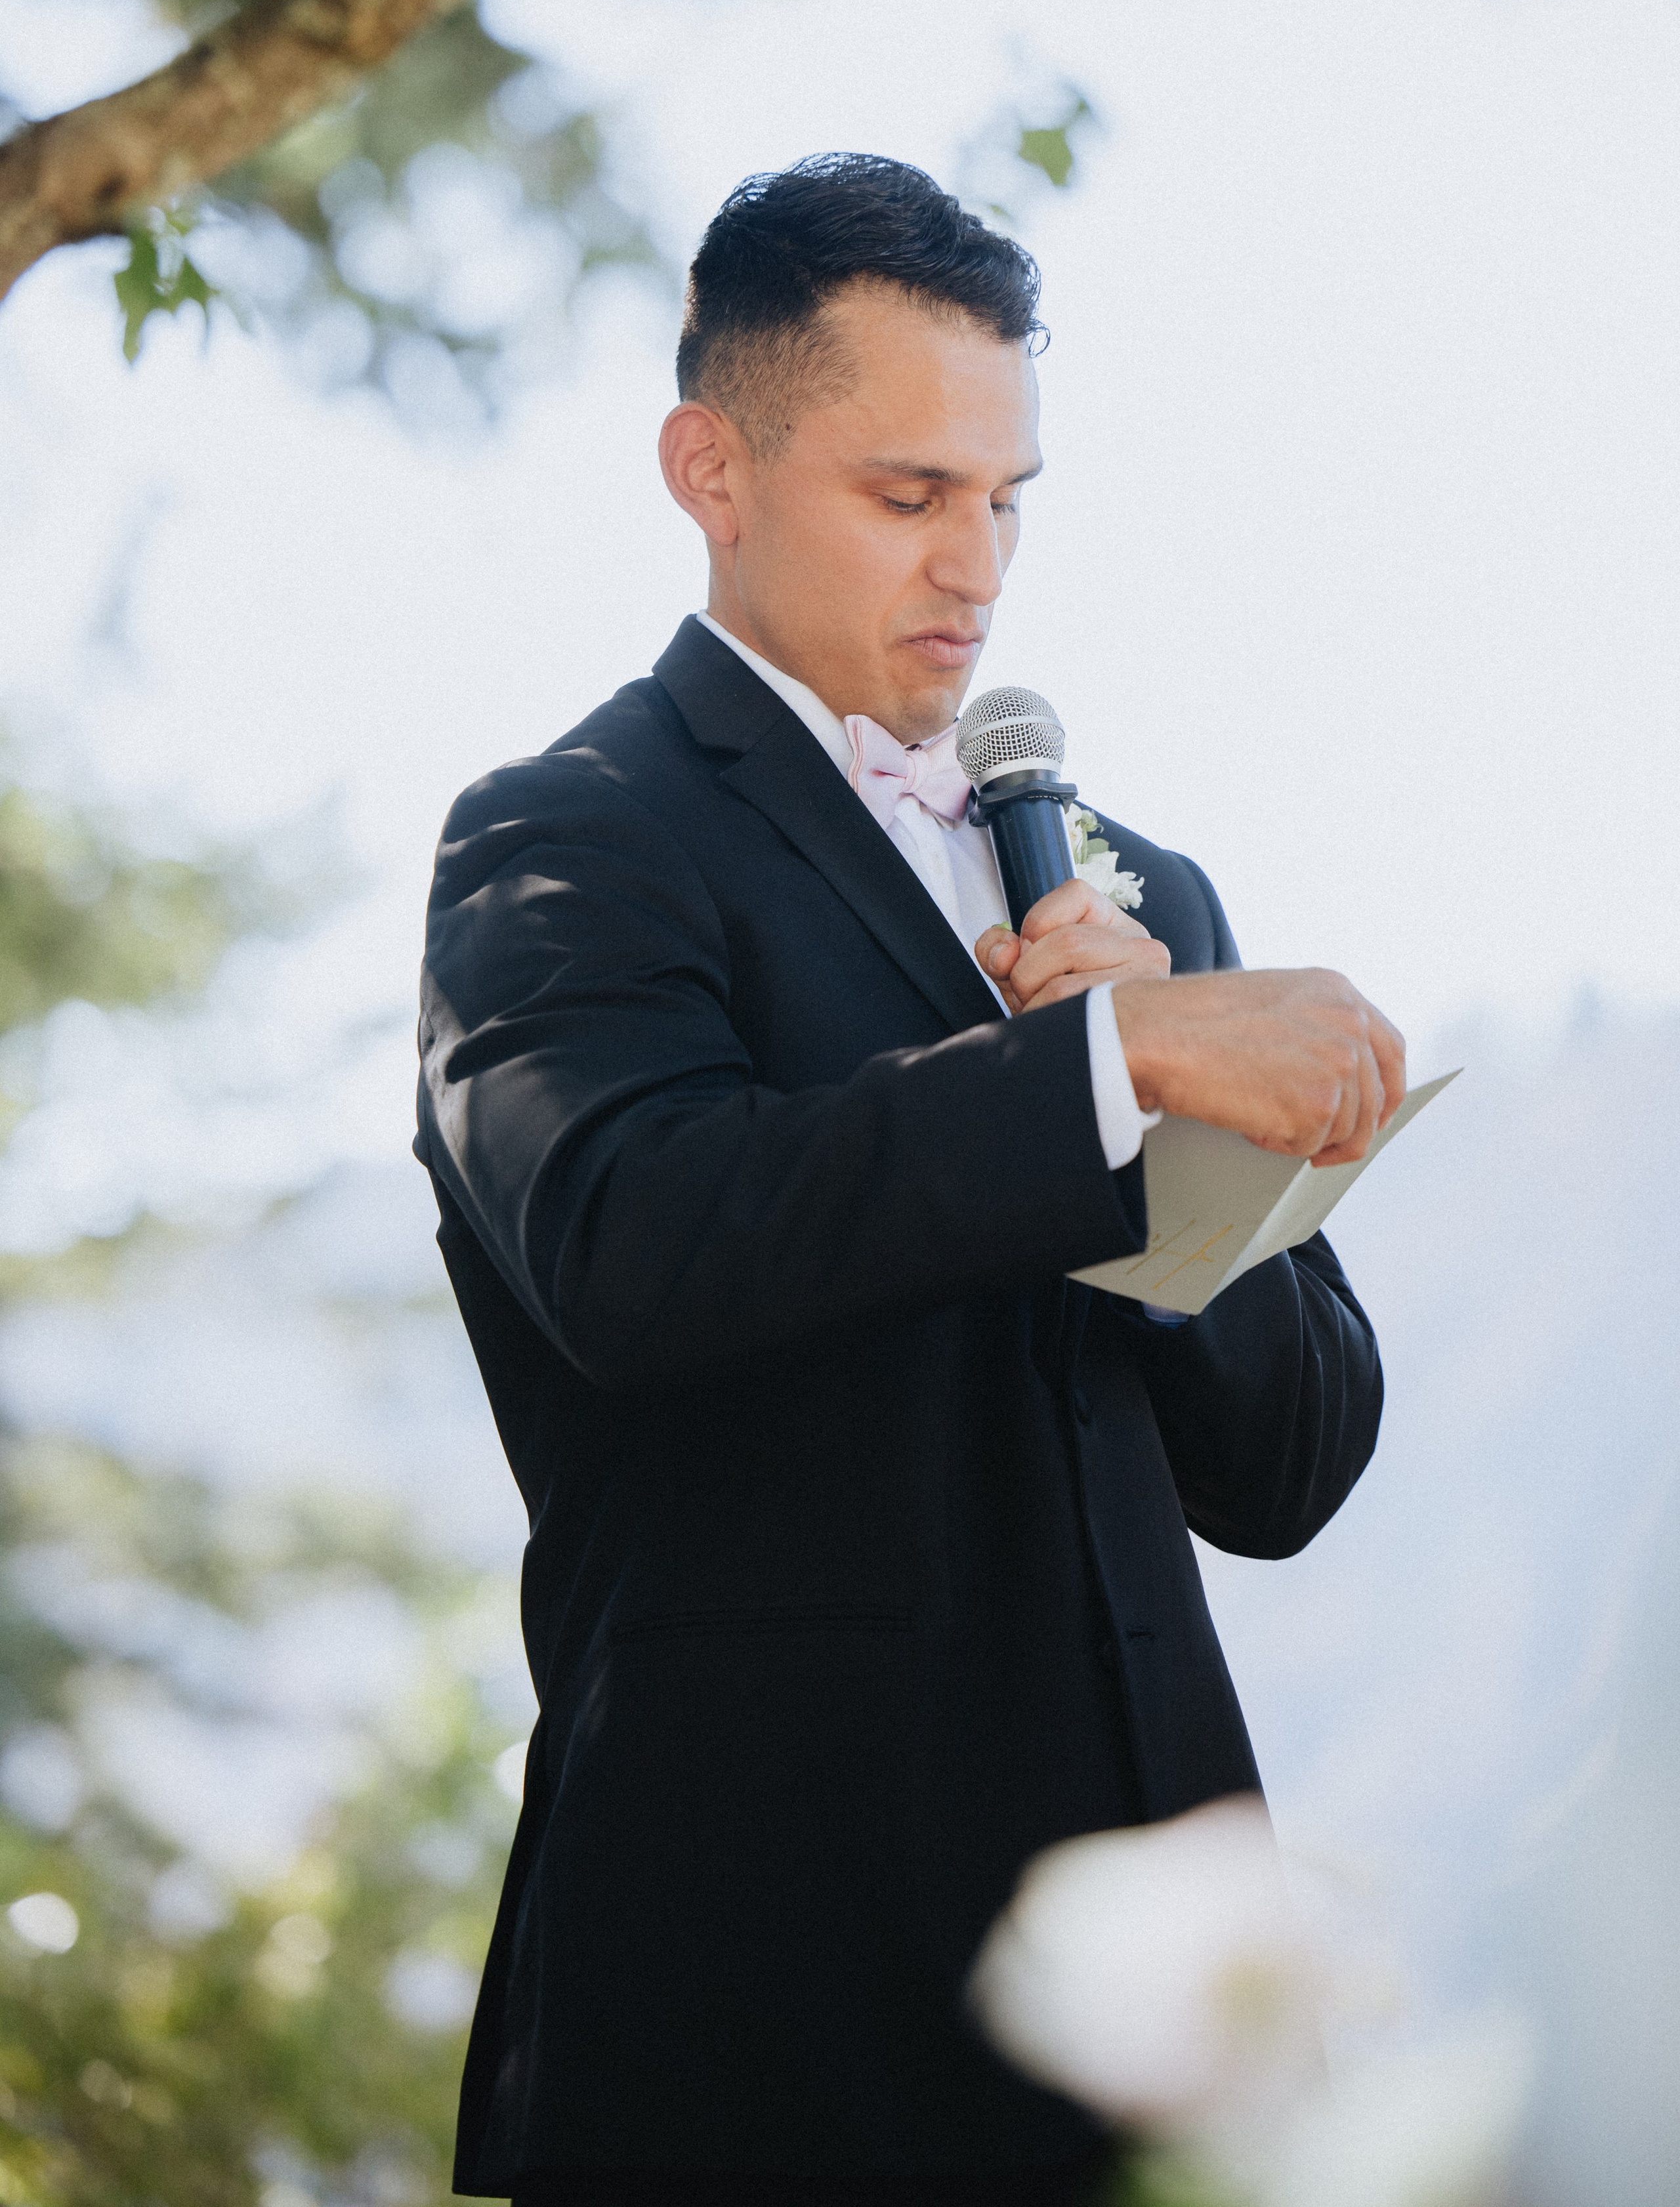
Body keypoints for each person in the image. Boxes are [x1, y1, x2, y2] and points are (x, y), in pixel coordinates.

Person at [416, 155, 1401, 2206]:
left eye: (1009, 498)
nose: (978, 564)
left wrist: (1178, 1114)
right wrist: (1101, 1072)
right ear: (712, 464)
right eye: (909, 495)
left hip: (1156, 2014)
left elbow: (1292, 1466)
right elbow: (634, 1240)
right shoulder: (564, 838)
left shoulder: (1142, 887)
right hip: (760, 1991)